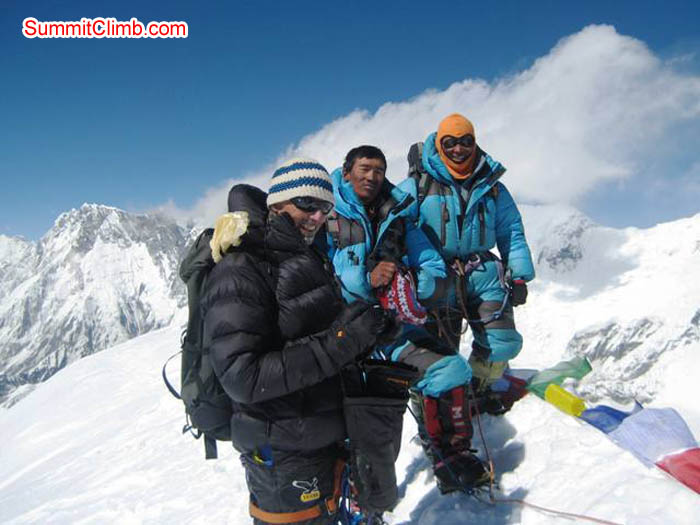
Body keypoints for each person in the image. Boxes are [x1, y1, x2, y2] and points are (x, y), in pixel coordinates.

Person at [201, 158, 398, 524]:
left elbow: (313, 333)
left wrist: (366, 331)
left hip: (319, 439)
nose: (317, 217)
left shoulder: (304, 255)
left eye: (325, 207)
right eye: (306, 204)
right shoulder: (240, 269)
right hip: (282, 452)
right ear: (277, 205)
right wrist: (343, 342)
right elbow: (244, 377)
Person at [394, 113, 536, 493]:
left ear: (475, 142)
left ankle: (476, 391)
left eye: (465, 141)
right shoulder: (417, 185)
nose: (458, 148)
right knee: (444, 364)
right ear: (438, 145)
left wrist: (519, 273)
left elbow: (511, 230)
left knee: (504, 343)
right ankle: (445, 440)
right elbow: (397, 227)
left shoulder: (491, 185)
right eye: (450, 142)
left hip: (480, 273)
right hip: (435, 278)